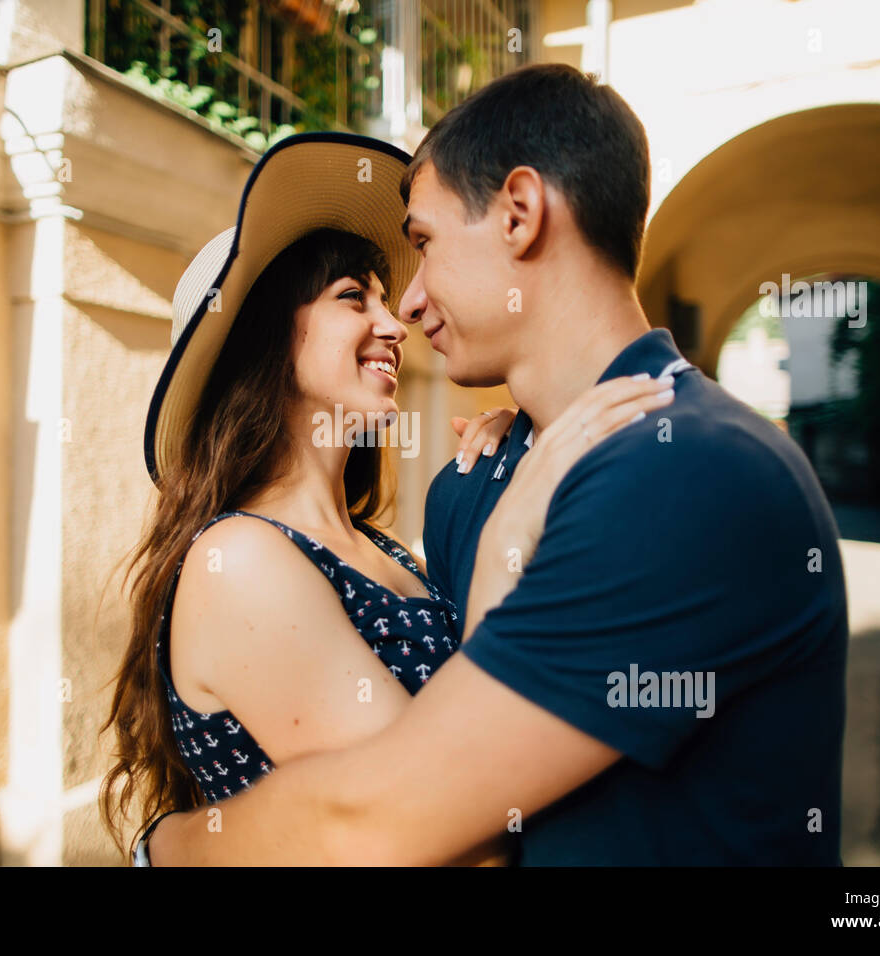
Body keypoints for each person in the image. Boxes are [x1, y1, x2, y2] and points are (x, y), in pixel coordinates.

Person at [145, 64, 850, 866]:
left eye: (422, 245)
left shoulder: (694, 471)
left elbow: (413, 813)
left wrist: (170, 847)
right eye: (357, 295)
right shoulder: (467, 492)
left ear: (519, 213)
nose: (404, 310)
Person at [99, 132, 674, 865]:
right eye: (351, 298)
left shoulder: (377, 547)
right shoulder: (238, 561)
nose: (392, 322)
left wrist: (510, 470)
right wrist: (510, 528)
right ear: (267, 342)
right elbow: (456, 833)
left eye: (383, 295)